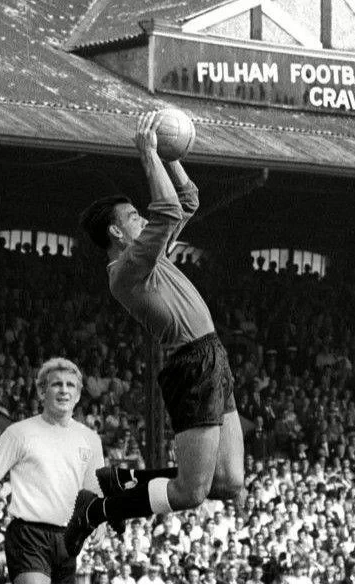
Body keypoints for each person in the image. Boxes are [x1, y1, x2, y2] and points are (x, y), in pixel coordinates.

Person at [71, 110, 244, 555]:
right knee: (191, 493)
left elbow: (186, 198)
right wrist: (148, 154)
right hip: (191, 364)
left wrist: (170, 155)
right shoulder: (126, 269)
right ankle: (98, 511)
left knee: (230, 482)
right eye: (132, 217)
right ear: (115, 231)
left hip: (211, 355)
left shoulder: (149, 251)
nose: (141, 221)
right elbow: (167, 209)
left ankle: (121, 482)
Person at [0, 357, 105, 584]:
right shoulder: (19, 433)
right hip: (28, 535)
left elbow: (94, 488)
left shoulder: (91, 440)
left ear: (77, 395)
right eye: (56, 384)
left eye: (70, 385)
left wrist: (100, 520)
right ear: (41, 391)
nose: (64, 390)